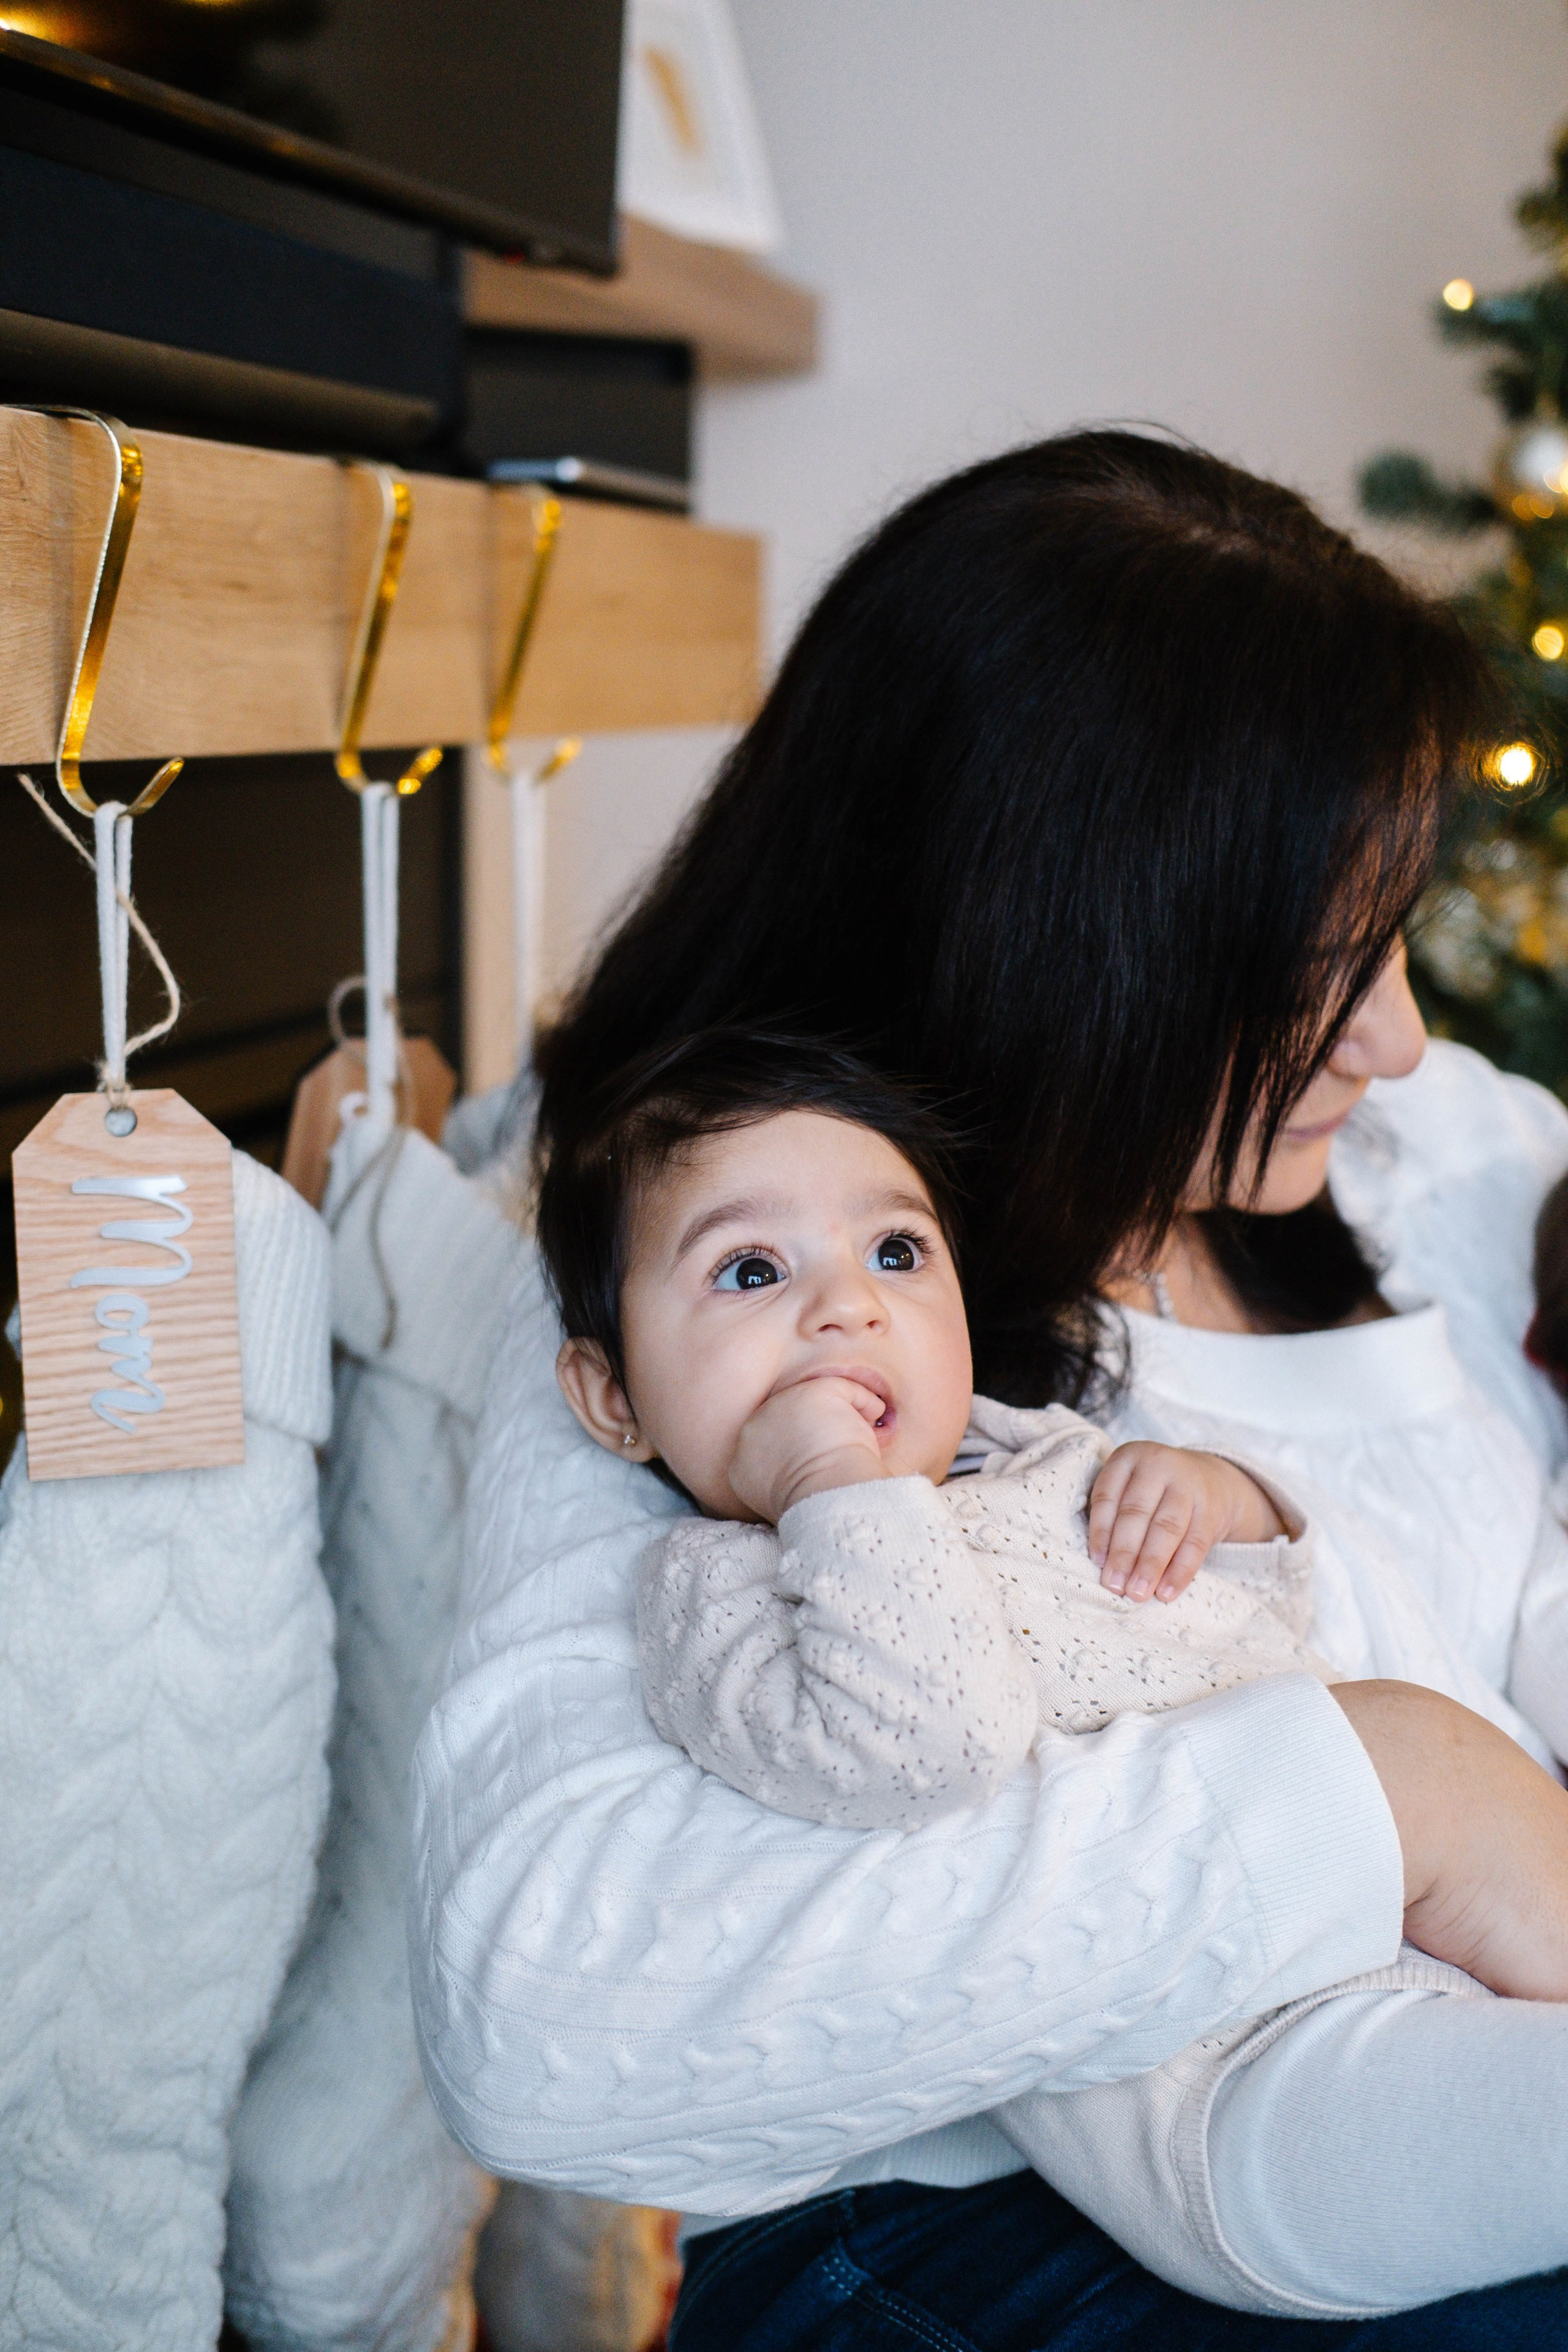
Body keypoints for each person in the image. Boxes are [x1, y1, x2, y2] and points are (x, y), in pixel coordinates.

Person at [410, 430, 1568, 2342]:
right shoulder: (747, 1275)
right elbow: (548, 2018)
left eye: (1401, 935)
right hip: (1041, 2215)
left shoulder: (1429, 1152)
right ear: (1064, 952)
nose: (1400, 1036)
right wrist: (1407, 1796)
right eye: (1315, 966)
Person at [535, 1026, 1568, 2320]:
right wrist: (831, 1489)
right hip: (1241, 2097)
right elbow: (929, 1740)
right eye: (749, 1270)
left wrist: (1218, 1498)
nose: (846, 1307)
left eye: (897, 1254)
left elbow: (1277, 1617)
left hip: (1385, 1934)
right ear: (608, 1398)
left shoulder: (1023, 1459)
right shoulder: (719, 1596)